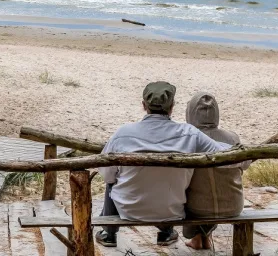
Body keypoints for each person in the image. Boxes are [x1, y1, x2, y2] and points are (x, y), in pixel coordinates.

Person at [96, 82, 231, 248]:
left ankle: (109, 233)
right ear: (172, 106)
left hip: (129, 211)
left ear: (144, 105)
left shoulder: (123, 133)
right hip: (172, 211)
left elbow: (106, 175)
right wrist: (237, 146)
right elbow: (223, 153)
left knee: (112, 180)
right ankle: (166, 233)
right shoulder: (189, 133)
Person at [182, 92, 250, 250]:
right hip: (233, 205)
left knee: (191, 187)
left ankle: (197, 238)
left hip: (198, 208)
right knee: (216, 183)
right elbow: (245, 165)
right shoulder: (232, 138)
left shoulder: (187, 138)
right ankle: (205, 237)